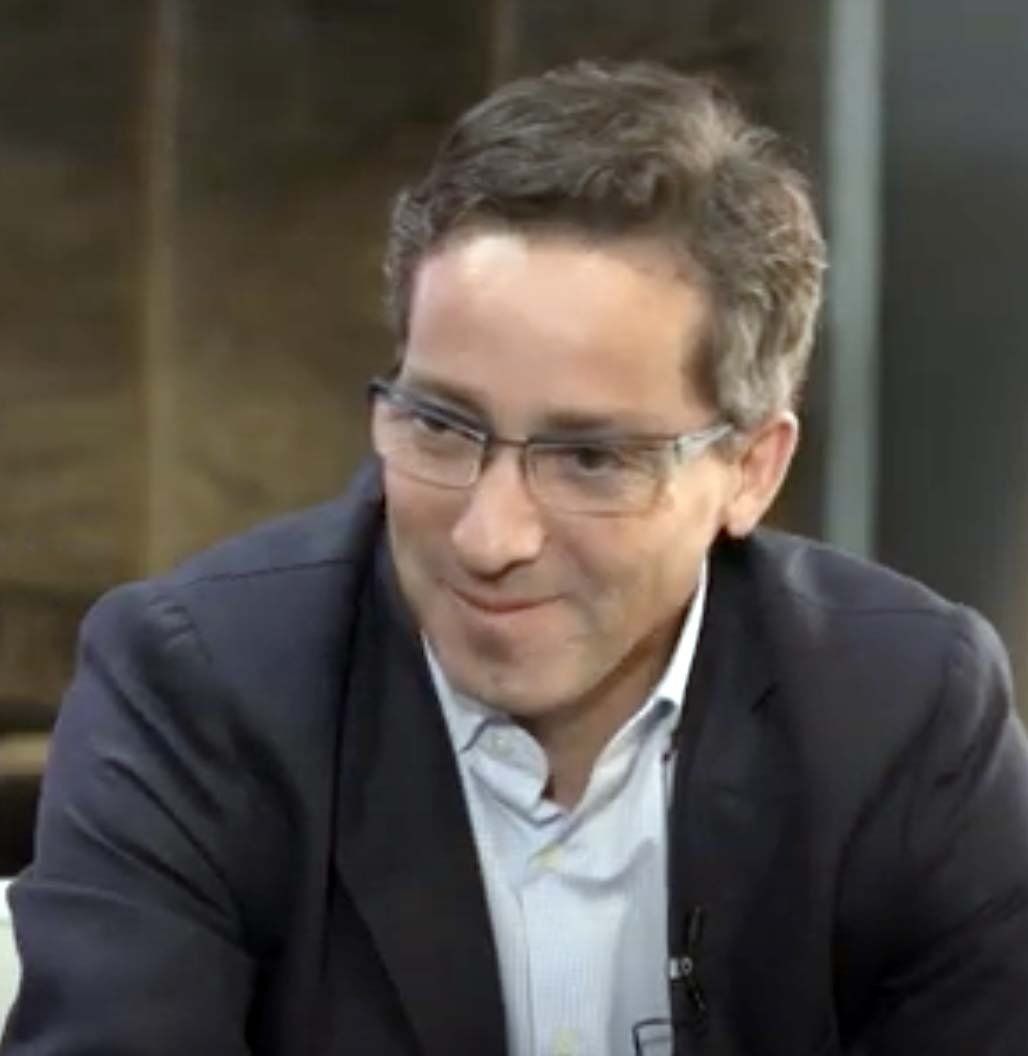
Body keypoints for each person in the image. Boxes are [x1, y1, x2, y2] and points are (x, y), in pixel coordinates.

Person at [3, 60, 1028, 1056]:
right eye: (441, 426)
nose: (488, 539)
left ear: (750, 470)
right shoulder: (195, 689)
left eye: (591, 458)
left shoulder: (900, 712)